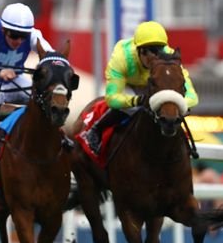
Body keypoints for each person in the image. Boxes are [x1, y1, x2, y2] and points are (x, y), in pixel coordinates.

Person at [80, 21, 199, 155]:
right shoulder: (121, 58)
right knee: (131, 108)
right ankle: (96, 130)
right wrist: (136, 100)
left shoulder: (169, 59)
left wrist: (173, 101)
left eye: (158, 50)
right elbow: (112, 99)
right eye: (148, 51)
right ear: (138, 51)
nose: (153, 57)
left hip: (153, 86)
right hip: (129, 85)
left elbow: (192, 97)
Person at [0, 2, 55, 168]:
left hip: (14, 78)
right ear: (3, 29)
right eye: (14, 35)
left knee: (40, 97)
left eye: (23, 36)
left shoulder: (32, 35)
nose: (19, 41)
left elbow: (51, 56)